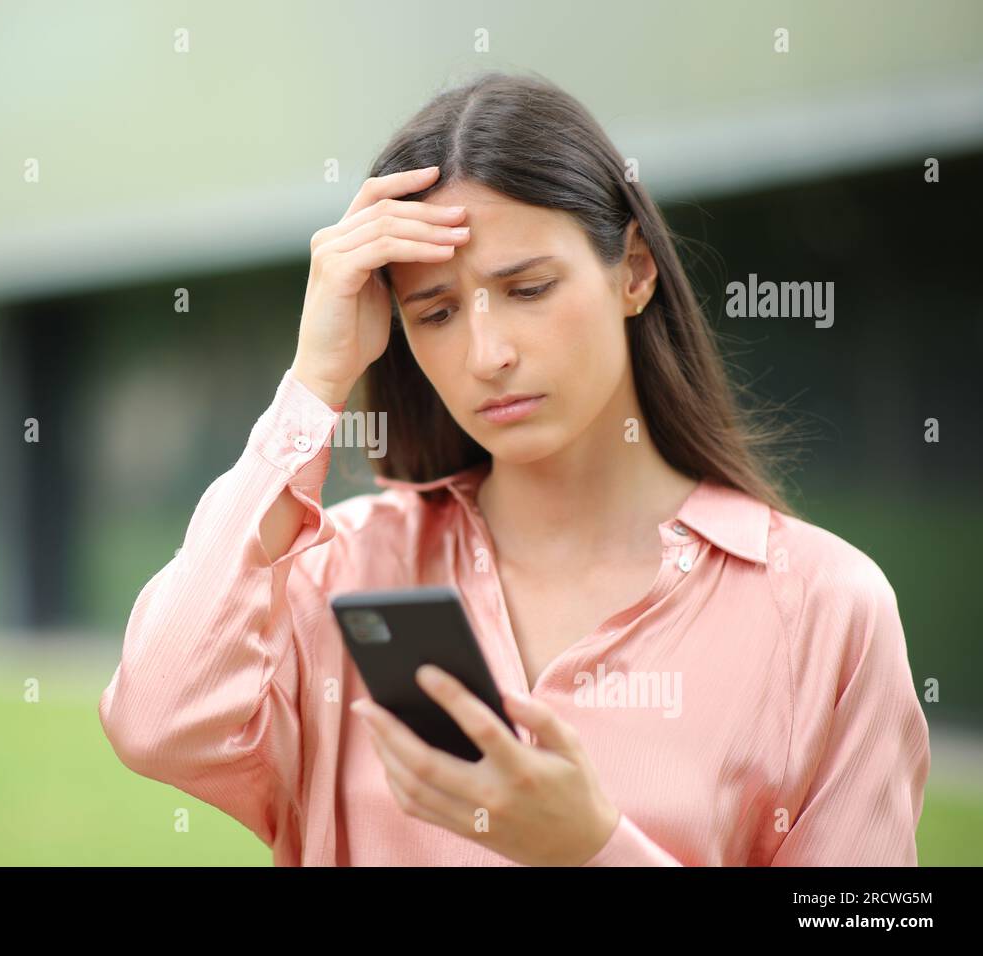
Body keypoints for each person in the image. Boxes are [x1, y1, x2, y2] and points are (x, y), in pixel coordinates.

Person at [98, 71, 930, 866]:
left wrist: (590, 850)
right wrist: (315, 381)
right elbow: (158, 721)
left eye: (528, 289)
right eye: (438, 312)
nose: (487, 354)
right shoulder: (340, 575)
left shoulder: (823, 611)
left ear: (634, 270)